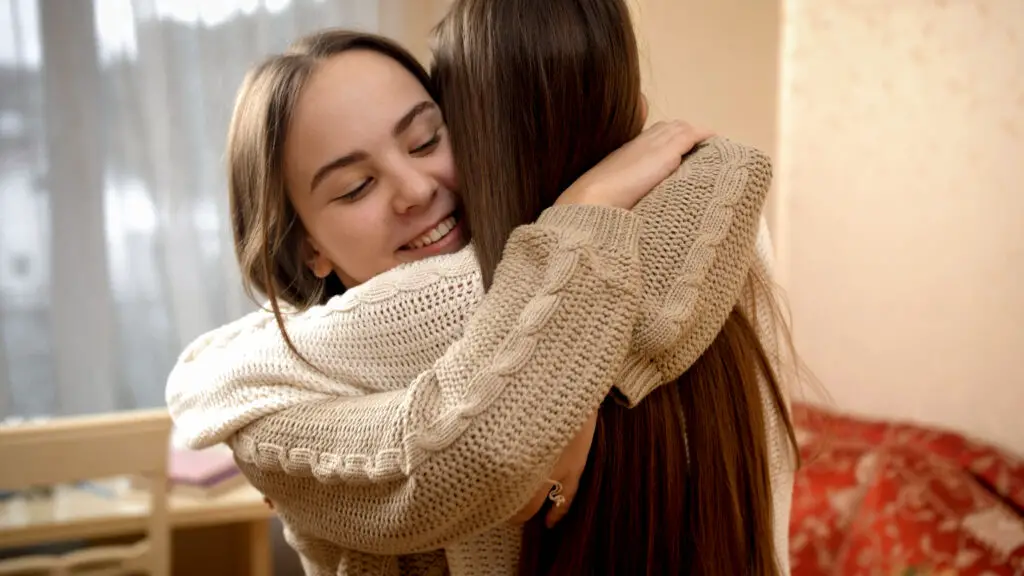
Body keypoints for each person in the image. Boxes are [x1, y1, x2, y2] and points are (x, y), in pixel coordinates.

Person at [166, 7, 784, 576]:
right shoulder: (269, 403)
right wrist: (589, 208)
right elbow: (462, 458)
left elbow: (729, 170)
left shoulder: (578, 257)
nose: (414, 188)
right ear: (308, 247)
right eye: (356, 187)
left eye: (427, 140)